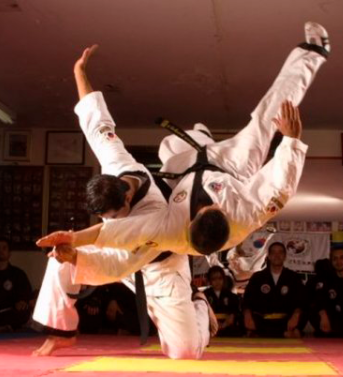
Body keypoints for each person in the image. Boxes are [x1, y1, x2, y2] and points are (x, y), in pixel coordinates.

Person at [39, 21, 330, 261]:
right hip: (233, 167)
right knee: (268, 119)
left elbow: (112, 233)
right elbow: (281, 187)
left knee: (172, 146)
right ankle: (314, 51)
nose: (211, 203)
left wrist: (73, 240)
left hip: (186, 170)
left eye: (206, 207)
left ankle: (199, 136)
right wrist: (290, 141)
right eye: (216, 206)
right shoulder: (247, 214)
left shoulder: (169, 230)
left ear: (191, 222)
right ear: (224, 216)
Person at [32, 44, 215, 360]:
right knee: (56, 258)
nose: (112, 220)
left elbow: (121, 264)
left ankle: (199, 305)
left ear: (128, 197)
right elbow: (96, 123)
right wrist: (80, 72)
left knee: (185, 353)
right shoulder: (117, 165)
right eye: (107, 217)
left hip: (160, 268)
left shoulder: (155, 214)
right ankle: (63, 331)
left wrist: (78, 254)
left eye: (116, 215)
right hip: (115, 251)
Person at [243, 242, 306, 338]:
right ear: (268, 256)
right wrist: (247, 314)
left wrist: (296, 314)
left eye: (280, 252)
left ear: (285, 256)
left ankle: (262, 333)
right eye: (273, 253)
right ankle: (283, 334)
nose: (277, 256)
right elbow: (247, 300)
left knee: (303, 312)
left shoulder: (293, 277)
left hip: (285, 321)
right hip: (263, 320)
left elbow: (301, 300)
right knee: (244, 317)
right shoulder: (258, 277)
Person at [204, 266, 242, 337]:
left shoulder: (231, 296)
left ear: (224, 279)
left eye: (220, 278)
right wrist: (215, 324)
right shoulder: (205, 295)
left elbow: (233, 314)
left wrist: (224, 325)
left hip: (228, 328)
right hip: (209, 328)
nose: (217, 282)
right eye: (214, 279)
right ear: (209, 281)